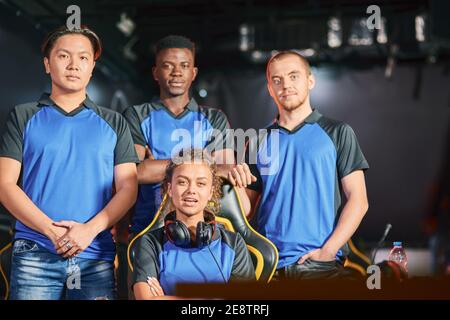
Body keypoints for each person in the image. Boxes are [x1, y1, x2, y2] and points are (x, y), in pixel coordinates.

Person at [0, 26, 139, 299]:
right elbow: (5, 184)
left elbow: (128, 188)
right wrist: (52, 232)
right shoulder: (23, 116)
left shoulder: (114, 122)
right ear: (47, 64)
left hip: (95, 253)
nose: (74, 65)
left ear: (92, 68)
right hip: (35, 252)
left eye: (84, 58)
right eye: (64, 56)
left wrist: (88, 232)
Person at [229, 50, 369, 280]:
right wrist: (232, 177)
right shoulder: (256, 141)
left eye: (294, 76)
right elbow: (245, 210)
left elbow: (359, 200)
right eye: (277, 80)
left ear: (310, 81)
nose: (285, 85)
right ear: (270, 89)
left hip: (320, 264)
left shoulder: (337, 132)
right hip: (269, 265)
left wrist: (328, 250)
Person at [122, 35, 239, 237]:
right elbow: (135, 173)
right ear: (155, 73)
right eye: (168, 66)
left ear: (193, 73)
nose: (177, 72)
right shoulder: (137, 115)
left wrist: (154, 165)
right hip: (147, 230)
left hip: (201, 233)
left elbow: (225, 171)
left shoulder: (214, 118)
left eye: (184, 66)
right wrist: (203, 164)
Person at [132, 149, 255, 299]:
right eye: (182, 182)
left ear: (210, 192)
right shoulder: (150, 243)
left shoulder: (234, 244)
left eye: (201, 183)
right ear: (170, 189)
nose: (191, 190)